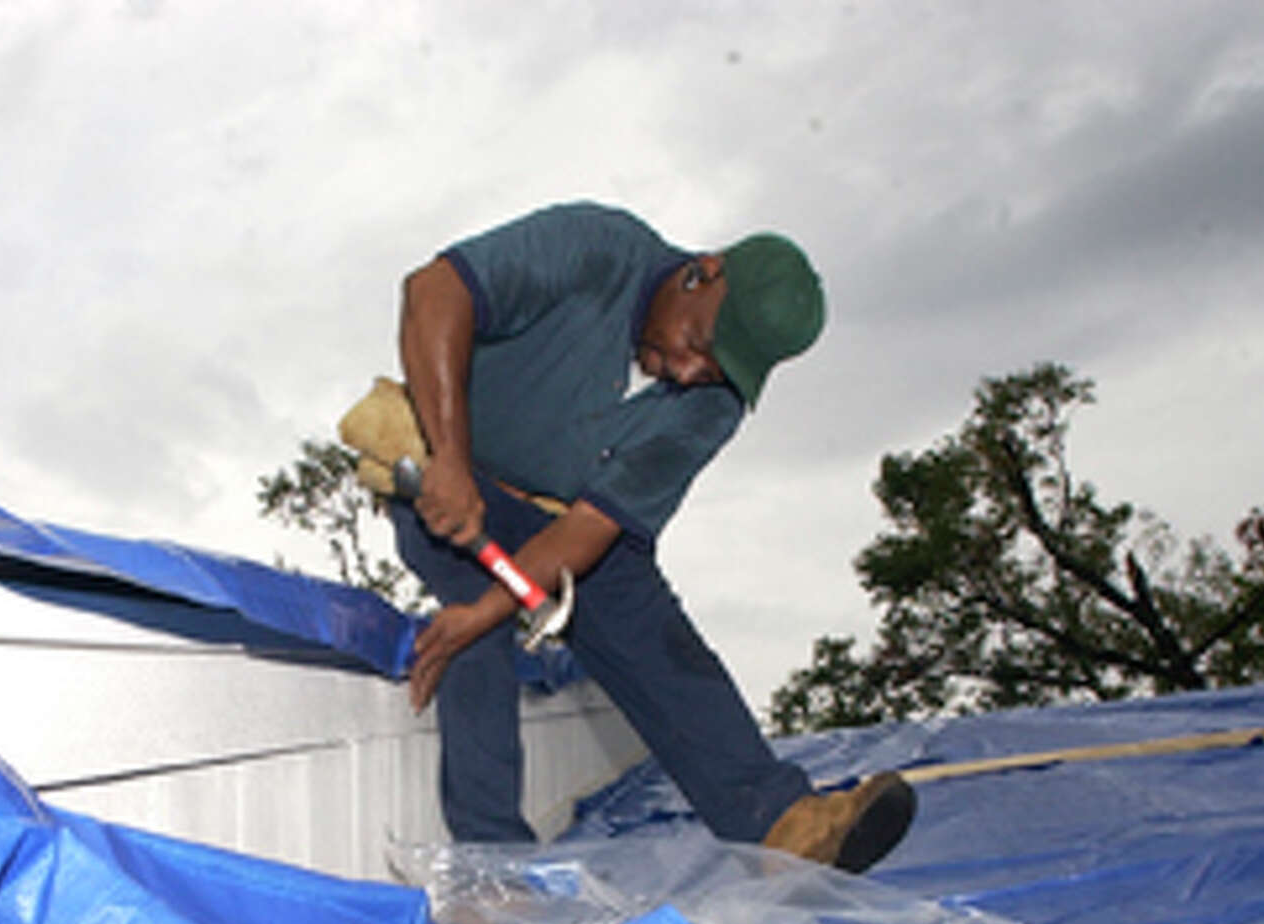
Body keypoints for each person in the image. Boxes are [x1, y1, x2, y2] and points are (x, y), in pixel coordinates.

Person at [388, 201, 914, 872]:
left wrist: (493, 606)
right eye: (699, 344)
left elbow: (590, 528)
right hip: (449, 475)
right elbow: (433, 291)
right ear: (703, 273)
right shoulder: (597, 247)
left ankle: (781, 820)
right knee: (477, 646)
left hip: (565, 527)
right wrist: (452, 460)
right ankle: (495, 872)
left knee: (647, 627)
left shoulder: (711, 409)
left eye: (717, 371)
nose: (693, 373)